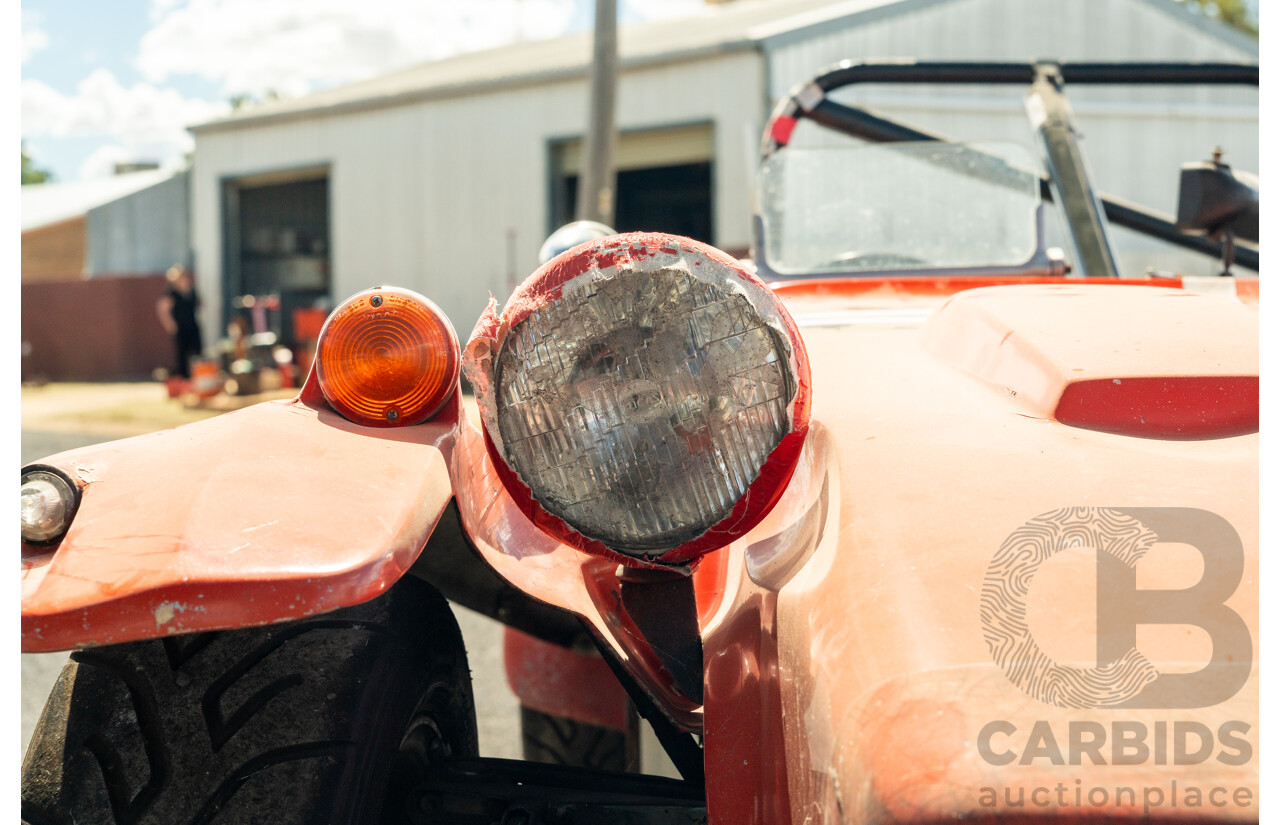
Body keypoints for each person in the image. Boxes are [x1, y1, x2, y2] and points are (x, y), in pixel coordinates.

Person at [156, 265, 203, 379]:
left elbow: (199, 303)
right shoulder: (171, 293)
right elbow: (162, 309)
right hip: (180, 327)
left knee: (197, 351)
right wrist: (170, 324)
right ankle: (183, 378)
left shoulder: (191, 290)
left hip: (192, 324)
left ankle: (197, 376)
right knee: (182, 355)